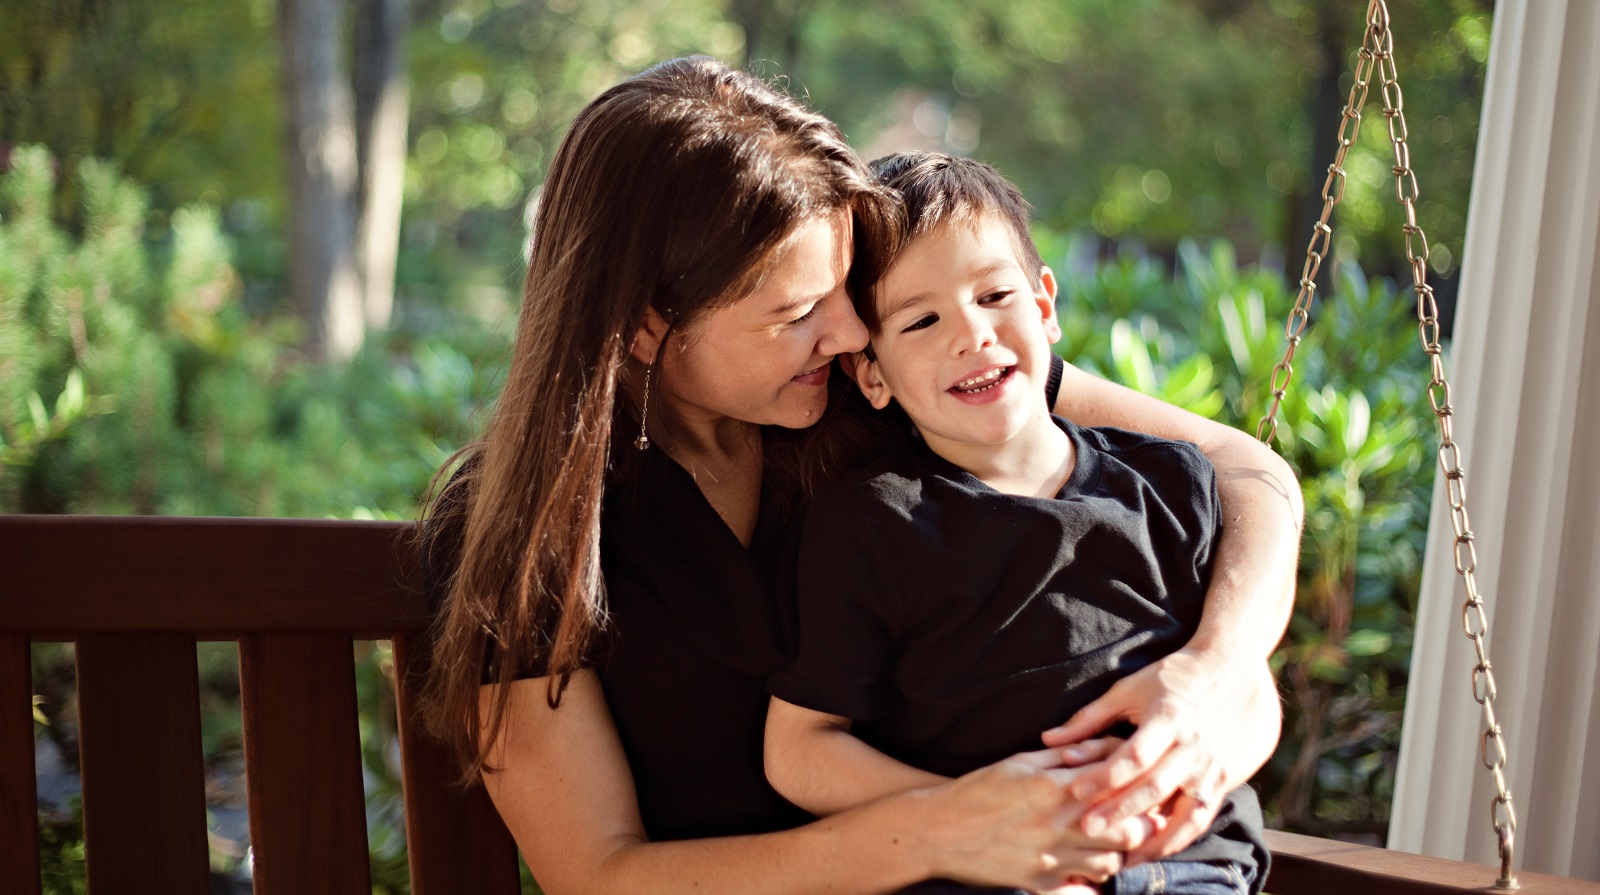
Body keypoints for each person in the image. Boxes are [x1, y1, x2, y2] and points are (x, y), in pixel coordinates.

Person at [420, 56, 1299, 895]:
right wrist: (944, 827)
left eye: (845, 289)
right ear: (646, 328)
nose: (849, 333)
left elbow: (1242, 470)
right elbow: (598, 872)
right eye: (799, 312)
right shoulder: (523, 530)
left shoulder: (885, 386)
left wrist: (1221, 666)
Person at [764, 153, 1267, 895]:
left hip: (1190, 864)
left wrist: (1204, 754)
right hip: (996, 871)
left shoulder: (1170, 483)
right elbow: (801, 750)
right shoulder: (875, 523)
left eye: (995, 293)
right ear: (872, 374)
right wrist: (965, 812)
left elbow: (1243, 683)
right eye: (922, 320)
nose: (972, 333)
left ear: (1045, 305)